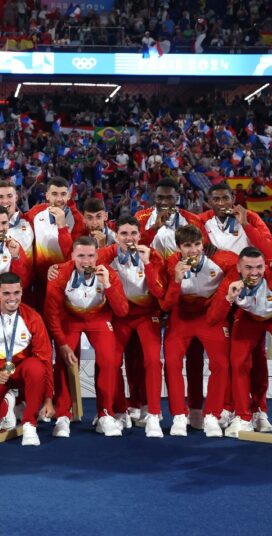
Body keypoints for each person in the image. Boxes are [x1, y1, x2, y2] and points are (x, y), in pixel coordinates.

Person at [135, 177, 207, 427]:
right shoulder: (142, 217)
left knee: (194, 354)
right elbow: (133, 250)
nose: (164, 202)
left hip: (183, 292)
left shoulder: (192, 219)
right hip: (150, 293)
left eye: (169, 198)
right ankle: (145, 408)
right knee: (146, 355)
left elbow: (202, 252)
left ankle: (196, 410)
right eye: (160, 198)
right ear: (154, 198)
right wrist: (153, 228)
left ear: (177, 198)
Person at [44, 236, 129, 437]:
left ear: (97, 256)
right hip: (70, 319)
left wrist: (107, 285)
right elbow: (51, 314)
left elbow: (122, 311)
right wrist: (62, 343)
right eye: (81, 255)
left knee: (109, 360)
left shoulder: (109, 273)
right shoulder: (59, 274)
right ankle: (63, 416)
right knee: (65, 361)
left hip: (99, 319)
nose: (86, 261)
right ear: (72, 256)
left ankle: (105, 414)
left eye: (91, 256)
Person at [160, 225, 237, 437]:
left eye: (196, 245)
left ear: (203, 244)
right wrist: (175, 280)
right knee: (173, 363)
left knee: (220, 364)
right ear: (178, 248)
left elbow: (248, 265)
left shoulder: (223, 261)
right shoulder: (170, 264)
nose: (193, 250)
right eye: (187, 246)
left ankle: (212, 414)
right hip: (181, 317)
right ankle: (178, 415)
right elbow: (166, 305)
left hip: (210, 317)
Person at [0, 272, 54, 445]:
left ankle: (29, 424)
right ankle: (6, 406)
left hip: (22, 372)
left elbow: (45, 360)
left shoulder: (33, 318)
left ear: (21, 292)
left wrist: (48, 399)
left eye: (16, 293)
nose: (12, 298)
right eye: (6, 293)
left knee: (36, 367)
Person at [97, 216, 166, 437]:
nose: (129, 238)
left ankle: (154, 414)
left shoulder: (152, 256)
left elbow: (159, 293)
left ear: (140, 235)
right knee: (111, 362)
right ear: (116, 236)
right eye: (124, 234)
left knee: (153, 361)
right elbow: (82, 264)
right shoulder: (106, 255)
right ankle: (117, 411)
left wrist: (147, 264)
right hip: (119, 316)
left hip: (147, 315)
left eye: (133, 234)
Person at [207, 246, 272, 437]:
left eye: (259, 267)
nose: (254, 273)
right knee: (238, 363)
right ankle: (244, 417)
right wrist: (228, 297)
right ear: (239, 268)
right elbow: (212, 319)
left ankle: (260, 411)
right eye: (248, 268)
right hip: (248, 318)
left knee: (257, 361)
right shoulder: (230, 281)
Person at [26, 177, 85, 307]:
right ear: (47, 195)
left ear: (69, 196)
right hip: (39, 282)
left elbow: (74, 256)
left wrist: (62, 227)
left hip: (64, 283)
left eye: (63, 194)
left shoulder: (78, 221)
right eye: (54, 194)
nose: (59, 199)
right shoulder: (36, 212)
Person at [200, 182, 272, 260]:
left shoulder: (250, 217)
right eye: (216, 199)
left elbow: (269, 250)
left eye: (225, 198)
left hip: (245, 269)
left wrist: (245, 224)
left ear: (233, 199)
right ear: (210, 202)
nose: (221, 203)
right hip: (216, 270)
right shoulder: (202, 219)